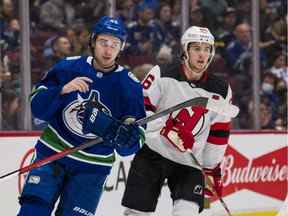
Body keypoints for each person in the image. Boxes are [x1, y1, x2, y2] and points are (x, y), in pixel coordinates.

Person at [18, 16, 146, 216]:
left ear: (121, 48)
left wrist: (123, 134)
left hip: (93, 167)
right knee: (32, 212)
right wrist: (61, 90)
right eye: (104, 42)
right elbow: (37, 106)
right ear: (93, 41)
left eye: (115, 44)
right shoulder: (68, 68)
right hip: (52, 154)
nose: (108, 49)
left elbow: (133, 144)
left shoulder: (130, 86)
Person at [121, 26, 238, 215]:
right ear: (185, 50)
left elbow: (219, 131)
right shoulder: (162, 73)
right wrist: (163, 129)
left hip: (190, 161)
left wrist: (210, 167)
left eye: (207, 49)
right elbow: (140, 110)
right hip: (153, 151)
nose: (202, 55)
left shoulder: (221, 90)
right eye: (197, 48)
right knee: (136, 213)